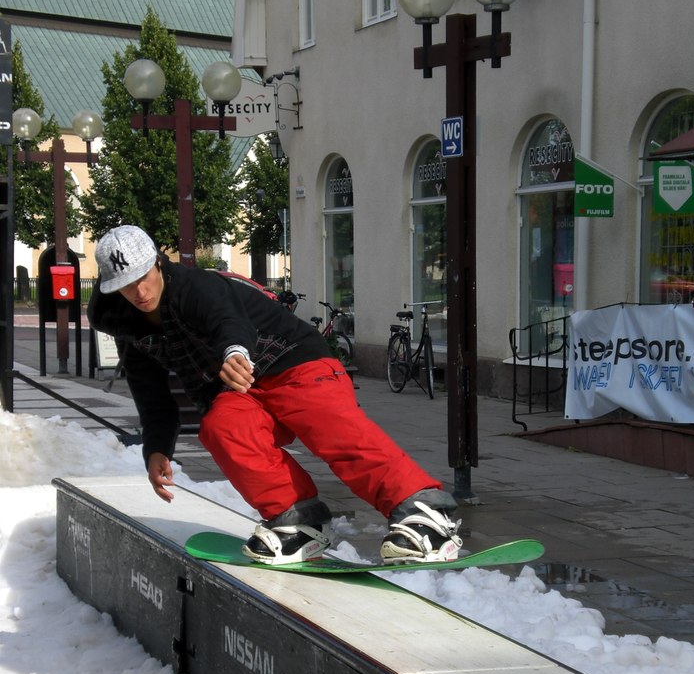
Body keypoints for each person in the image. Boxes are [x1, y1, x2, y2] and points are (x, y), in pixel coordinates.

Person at [88, 225, 462, 566]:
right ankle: (298, 519)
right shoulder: (128, 326)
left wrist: (235, 350)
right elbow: (150, 392)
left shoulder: (195, 285)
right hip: (240, 389)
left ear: (157, 262)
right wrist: (156, 449)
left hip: (294, 361)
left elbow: (226, 320)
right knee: (223, 427)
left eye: (143, 277)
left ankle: (422, 511)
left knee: (326, 425)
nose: (139, 292)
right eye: (125, 285)